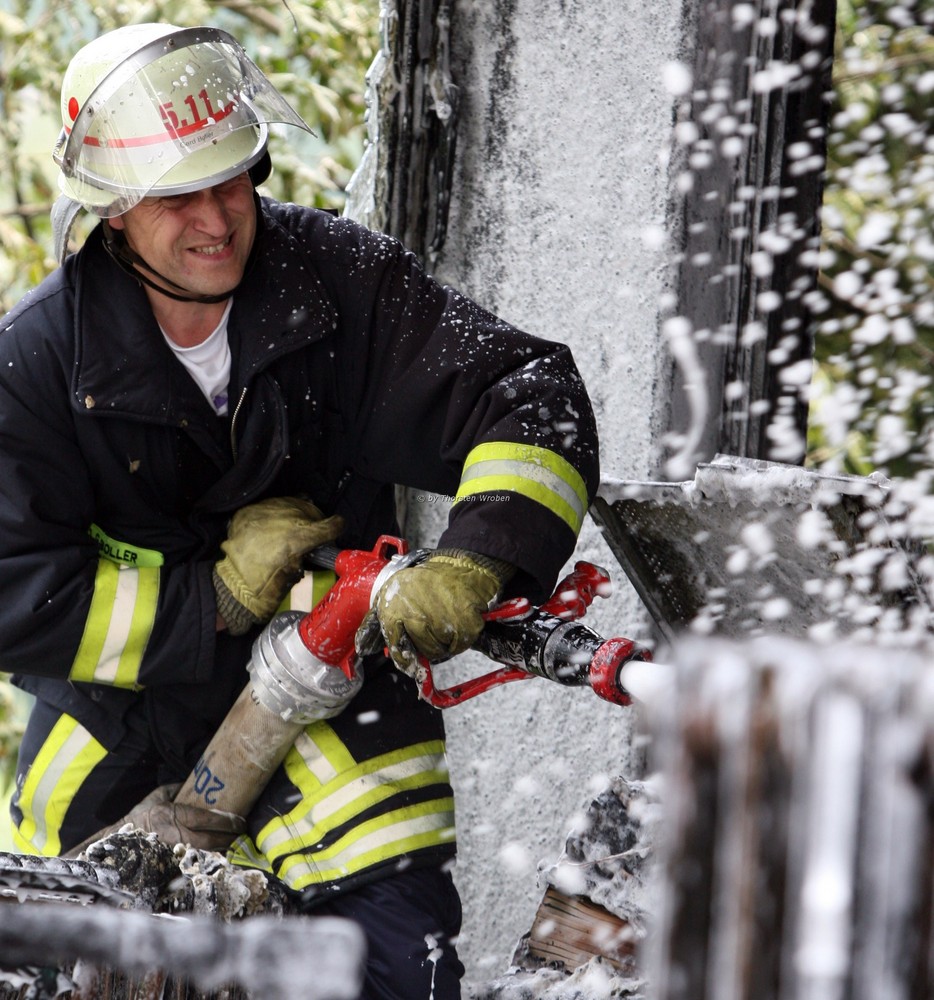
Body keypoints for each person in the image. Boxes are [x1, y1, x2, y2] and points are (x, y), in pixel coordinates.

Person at [0, 22, 599, 999]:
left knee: (393, 969)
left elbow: (527, 393)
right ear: (113, 212)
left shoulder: (336, 284)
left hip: (340, 707)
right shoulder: (36, 364)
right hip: (118, 730)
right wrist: (218, 600)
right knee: (66, 965)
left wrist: (482, 556)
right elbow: (11, 594)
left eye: (231, 180)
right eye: (177, 194)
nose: (216, 219)